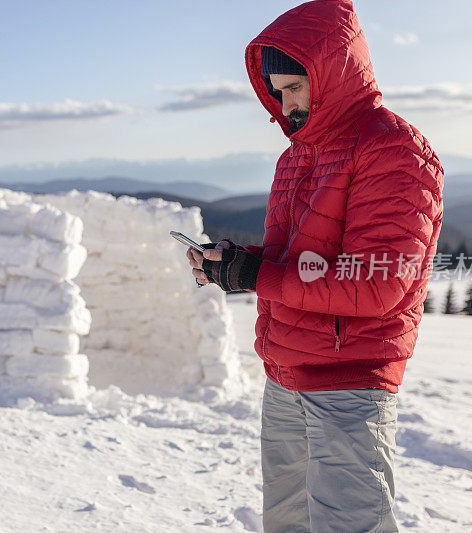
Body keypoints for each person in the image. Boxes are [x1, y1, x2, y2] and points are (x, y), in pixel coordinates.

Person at [186, 0, 444, 531]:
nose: (286, 107)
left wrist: (257, 277)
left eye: (295, 88)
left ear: (330, 74)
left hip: (348, 383)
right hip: (285, 374)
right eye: (277, 94)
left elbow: (375, 285)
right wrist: (235, 264)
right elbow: (299, 260)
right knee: (287, 523)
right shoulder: (298, 156)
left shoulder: (393, 149)